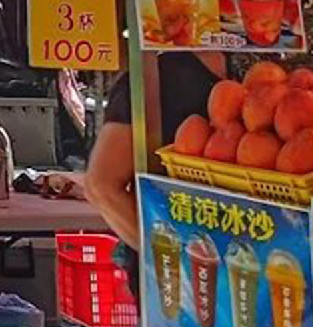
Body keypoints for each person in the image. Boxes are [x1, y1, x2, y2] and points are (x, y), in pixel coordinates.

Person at [86, 51, 223, 290]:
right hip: (177, 295)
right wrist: (176, 261)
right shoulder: (153, 81)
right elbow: (101, 187)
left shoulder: (262, 77)